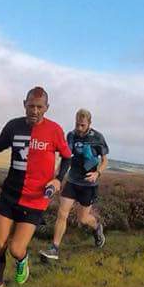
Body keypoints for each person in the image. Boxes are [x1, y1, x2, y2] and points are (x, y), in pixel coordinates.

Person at [0, 86, 72, 287]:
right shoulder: (13, 126)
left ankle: (22, 260)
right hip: (10, 195)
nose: (35, 111)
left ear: (46, 108)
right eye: (31, 106)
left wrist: (58, 178)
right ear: (24, 104)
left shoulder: (55, 130)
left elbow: (67, 158)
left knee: (15, 249)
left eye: (40, 107)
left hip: (36, 200)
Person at [40, 109, 109, 261]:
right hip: (72, 181)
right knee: (62, 213)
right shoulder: (71, 135)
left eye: (82, 125)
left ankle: (97, 227)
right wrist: (57, 176)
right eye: (77, 124)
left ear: (89, 124)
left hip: (89, 185)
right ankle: (54, 248)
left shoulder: (98, 137)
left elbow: (105, 161)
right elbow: (66, 156)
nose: (79, 128)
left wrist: (97, 173)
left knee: (83, 219)